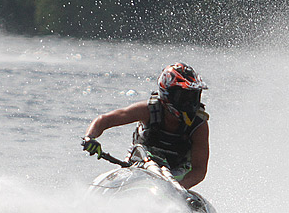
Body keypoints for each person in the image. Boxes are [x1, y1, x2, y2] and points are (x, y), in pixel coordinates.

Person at [82, 63, 210, 189]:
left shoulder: (199, 125)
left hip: (176, 173)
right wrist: (90, 137)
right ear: (167, 94)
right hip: (139, 163)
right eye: (184, 97)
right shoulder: (148, 110)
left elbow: (199, 171)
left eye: (193, 97)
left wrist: (175, 190)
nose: (190, 103)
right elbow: (105, 120)